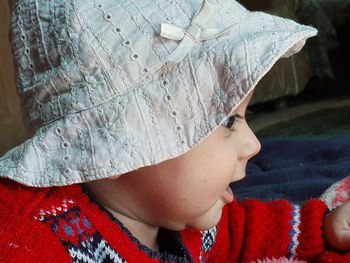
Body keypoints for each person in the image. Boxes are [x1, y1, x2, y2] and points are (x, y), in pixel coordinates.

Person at [0, 0, 350, 262]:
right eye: (227, 120)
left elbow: (236, 233)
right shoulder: (30, 237)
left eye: (247, 113)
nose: (254, 144)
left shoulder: (185, 216)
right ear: (121, 145)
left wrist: (320, 227)